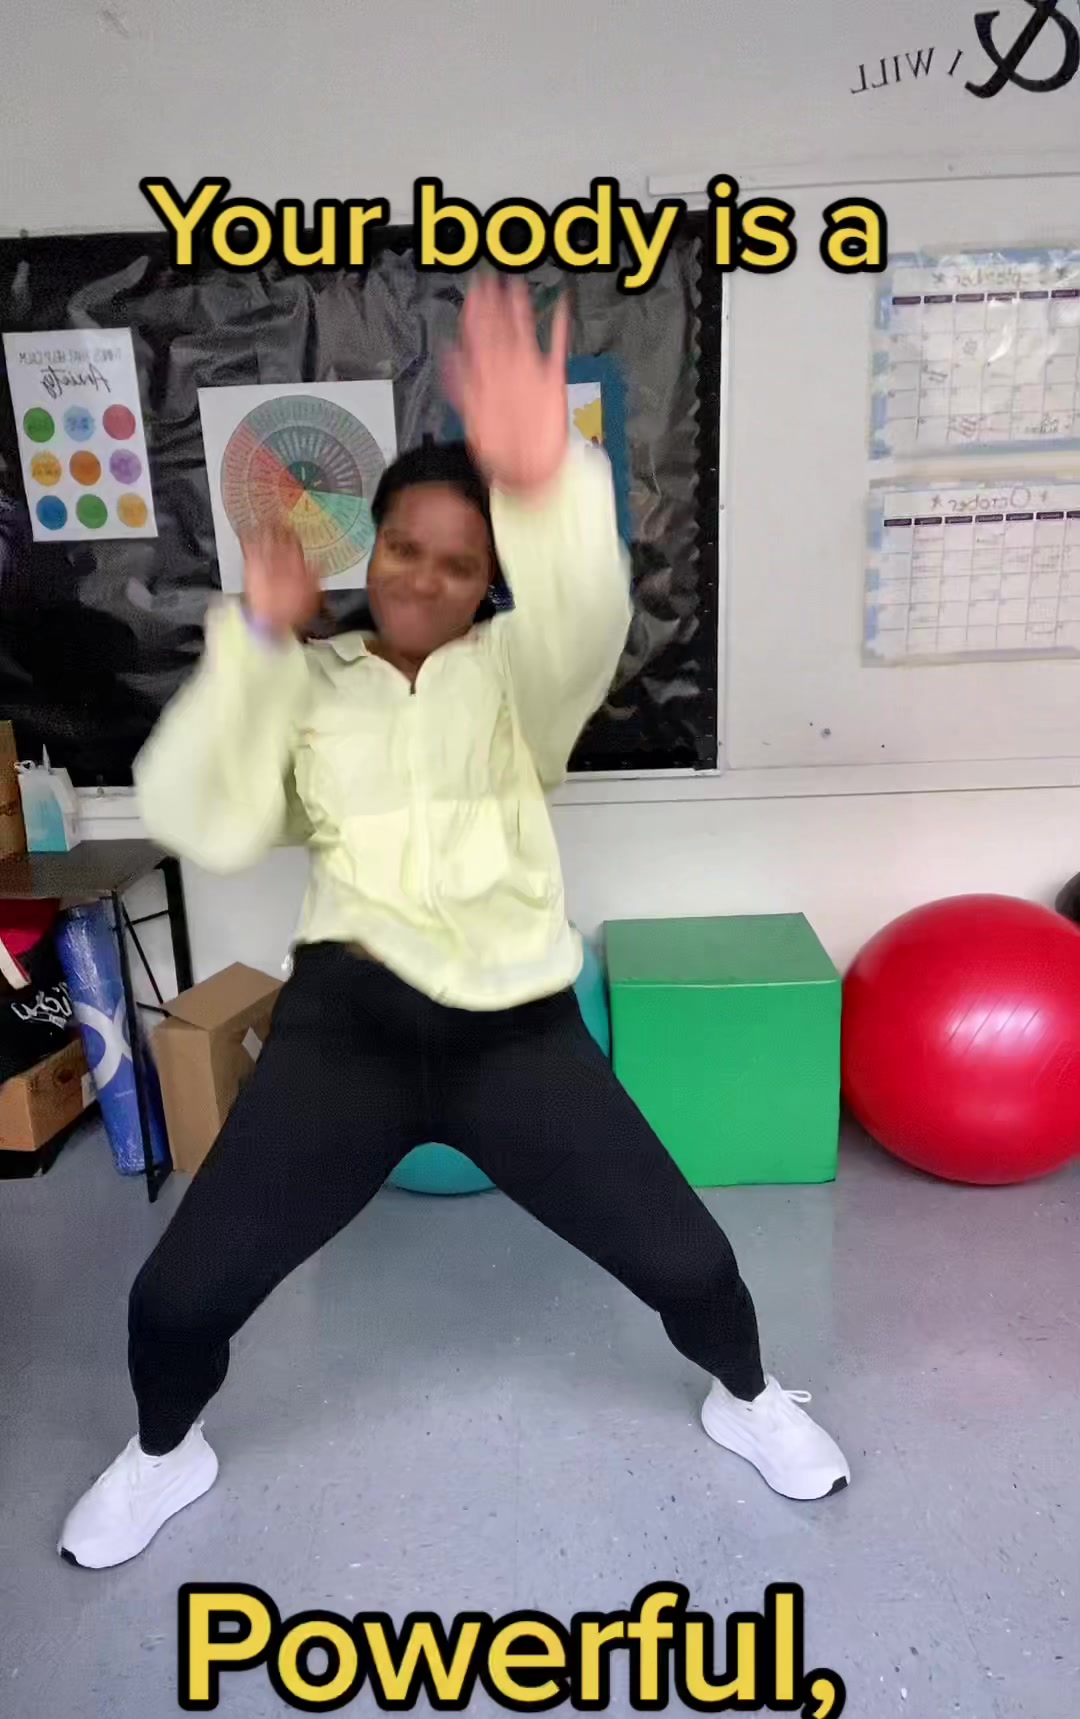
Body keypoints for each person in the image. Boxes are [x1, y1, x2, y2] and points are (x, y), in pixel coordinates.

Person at [59, 278, 849, 1571]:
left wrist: (549, 485)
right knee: (176, 1296)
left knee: (693, 1263)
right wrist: (253, 642)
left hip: (513, 1035)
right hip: (345, 1035)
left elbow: (585, 618)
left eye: (461, 560)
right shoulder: (308, 683)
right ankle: (163, 1454)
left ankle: (748, 1398)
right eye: (404, 548)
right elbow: (205, 816)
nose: (424, 577)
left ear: (491, 581)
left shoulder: (520, 684)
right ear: (368, 549)